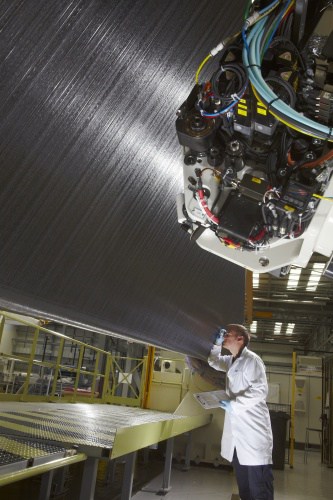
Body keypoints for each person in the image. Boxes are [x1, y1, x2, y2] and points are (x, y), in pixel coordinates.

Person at [208, 323, 274, 500]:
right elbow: (213, 361)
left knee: (259, 491)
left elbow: (260, 390)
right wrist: (216, 345)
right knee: (245, 491)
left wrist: (234, 405)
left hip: (253, 436)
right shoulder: (232, 361)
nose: (224, 337)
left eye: (227, 334)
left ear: (240, 338)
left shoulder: (252, 360)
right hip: (238, 440)